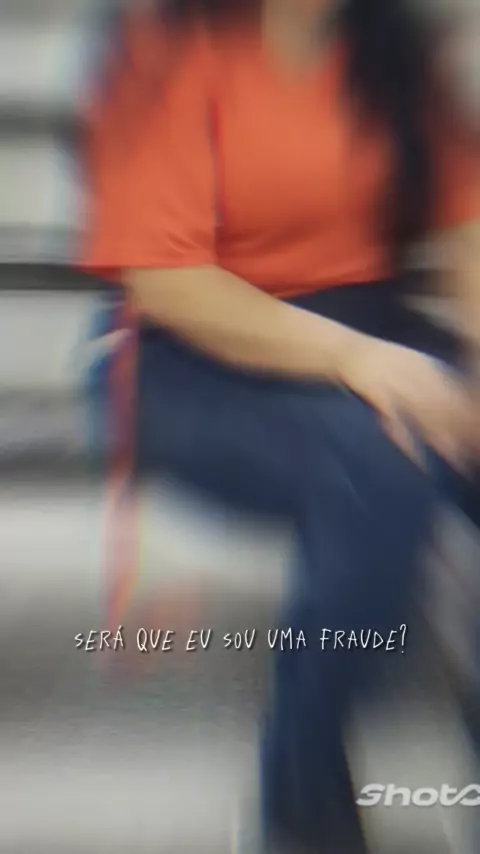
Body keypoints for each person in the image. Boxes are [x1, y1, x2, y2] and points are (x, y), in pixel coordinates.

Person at [82, 1, 479, 851]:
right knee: (380, 461)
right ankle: (300, 788)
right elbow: (169, 283)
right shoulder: (166, 49)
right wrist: (356, 360)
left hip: (368, 324)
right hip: (185, 352)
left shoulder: (396, 51)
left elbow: (466, 230)